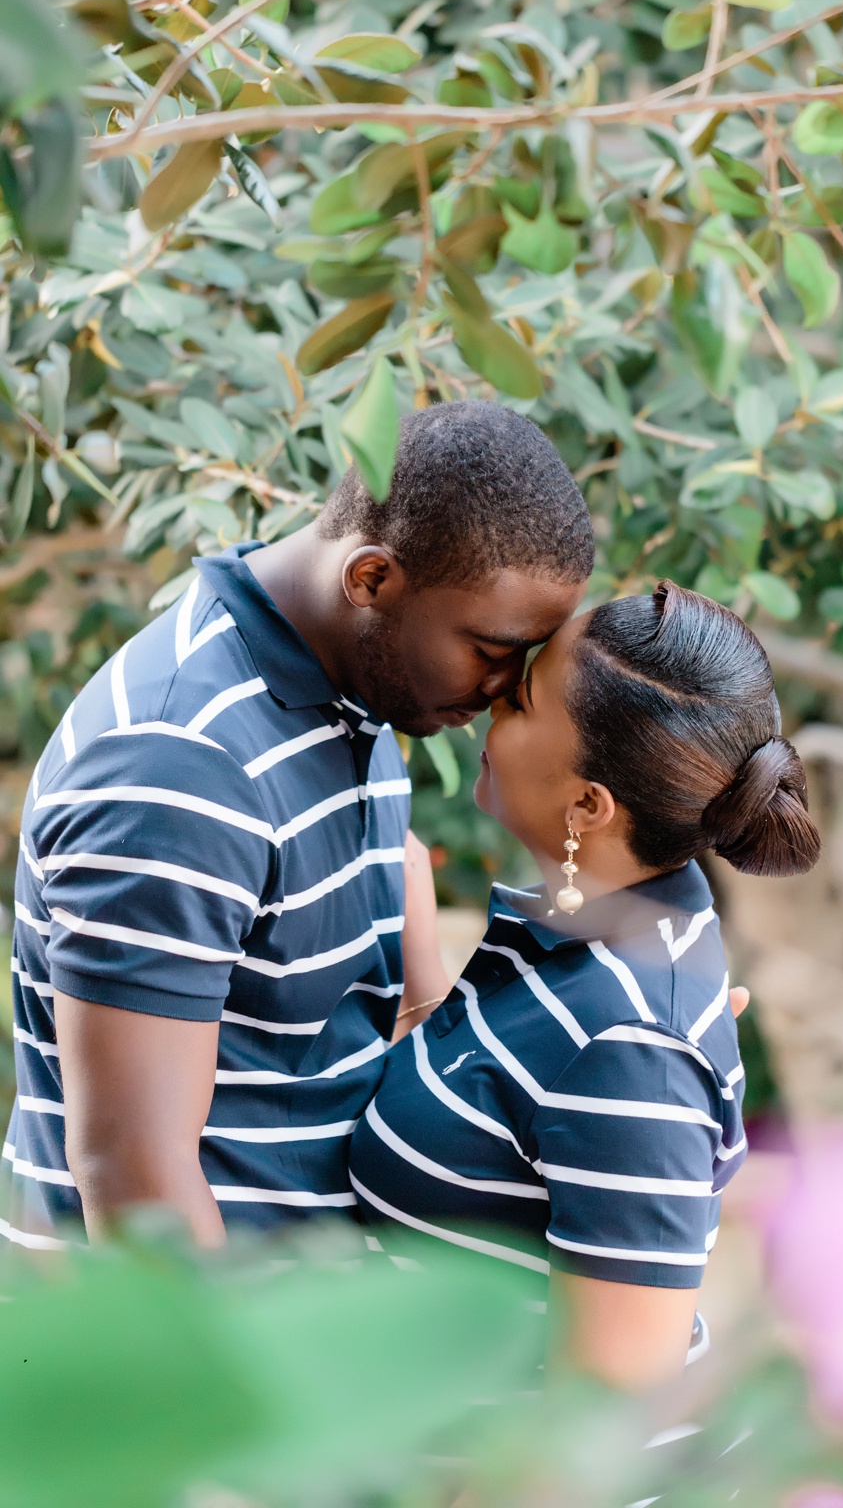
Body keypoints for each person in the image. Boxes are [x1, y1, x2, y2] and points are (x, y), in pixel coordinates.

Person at [5, 401, 593, 1250]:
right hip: (197, 1353)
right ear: (371, 579)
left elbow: (363, 1030)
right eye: (491, 647)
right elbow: (134, 1172)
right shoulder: (180, 763)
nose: (506, 687)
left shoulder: (355, 696)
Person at [349, 582, 820, 1390]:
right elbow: (500, 1127)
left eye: (525, 698)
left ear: (587, 806)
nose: (495, 694)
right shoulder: (599, 941)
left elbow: (607, 1406)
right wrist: (416, 947)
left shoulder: (632, 1047)